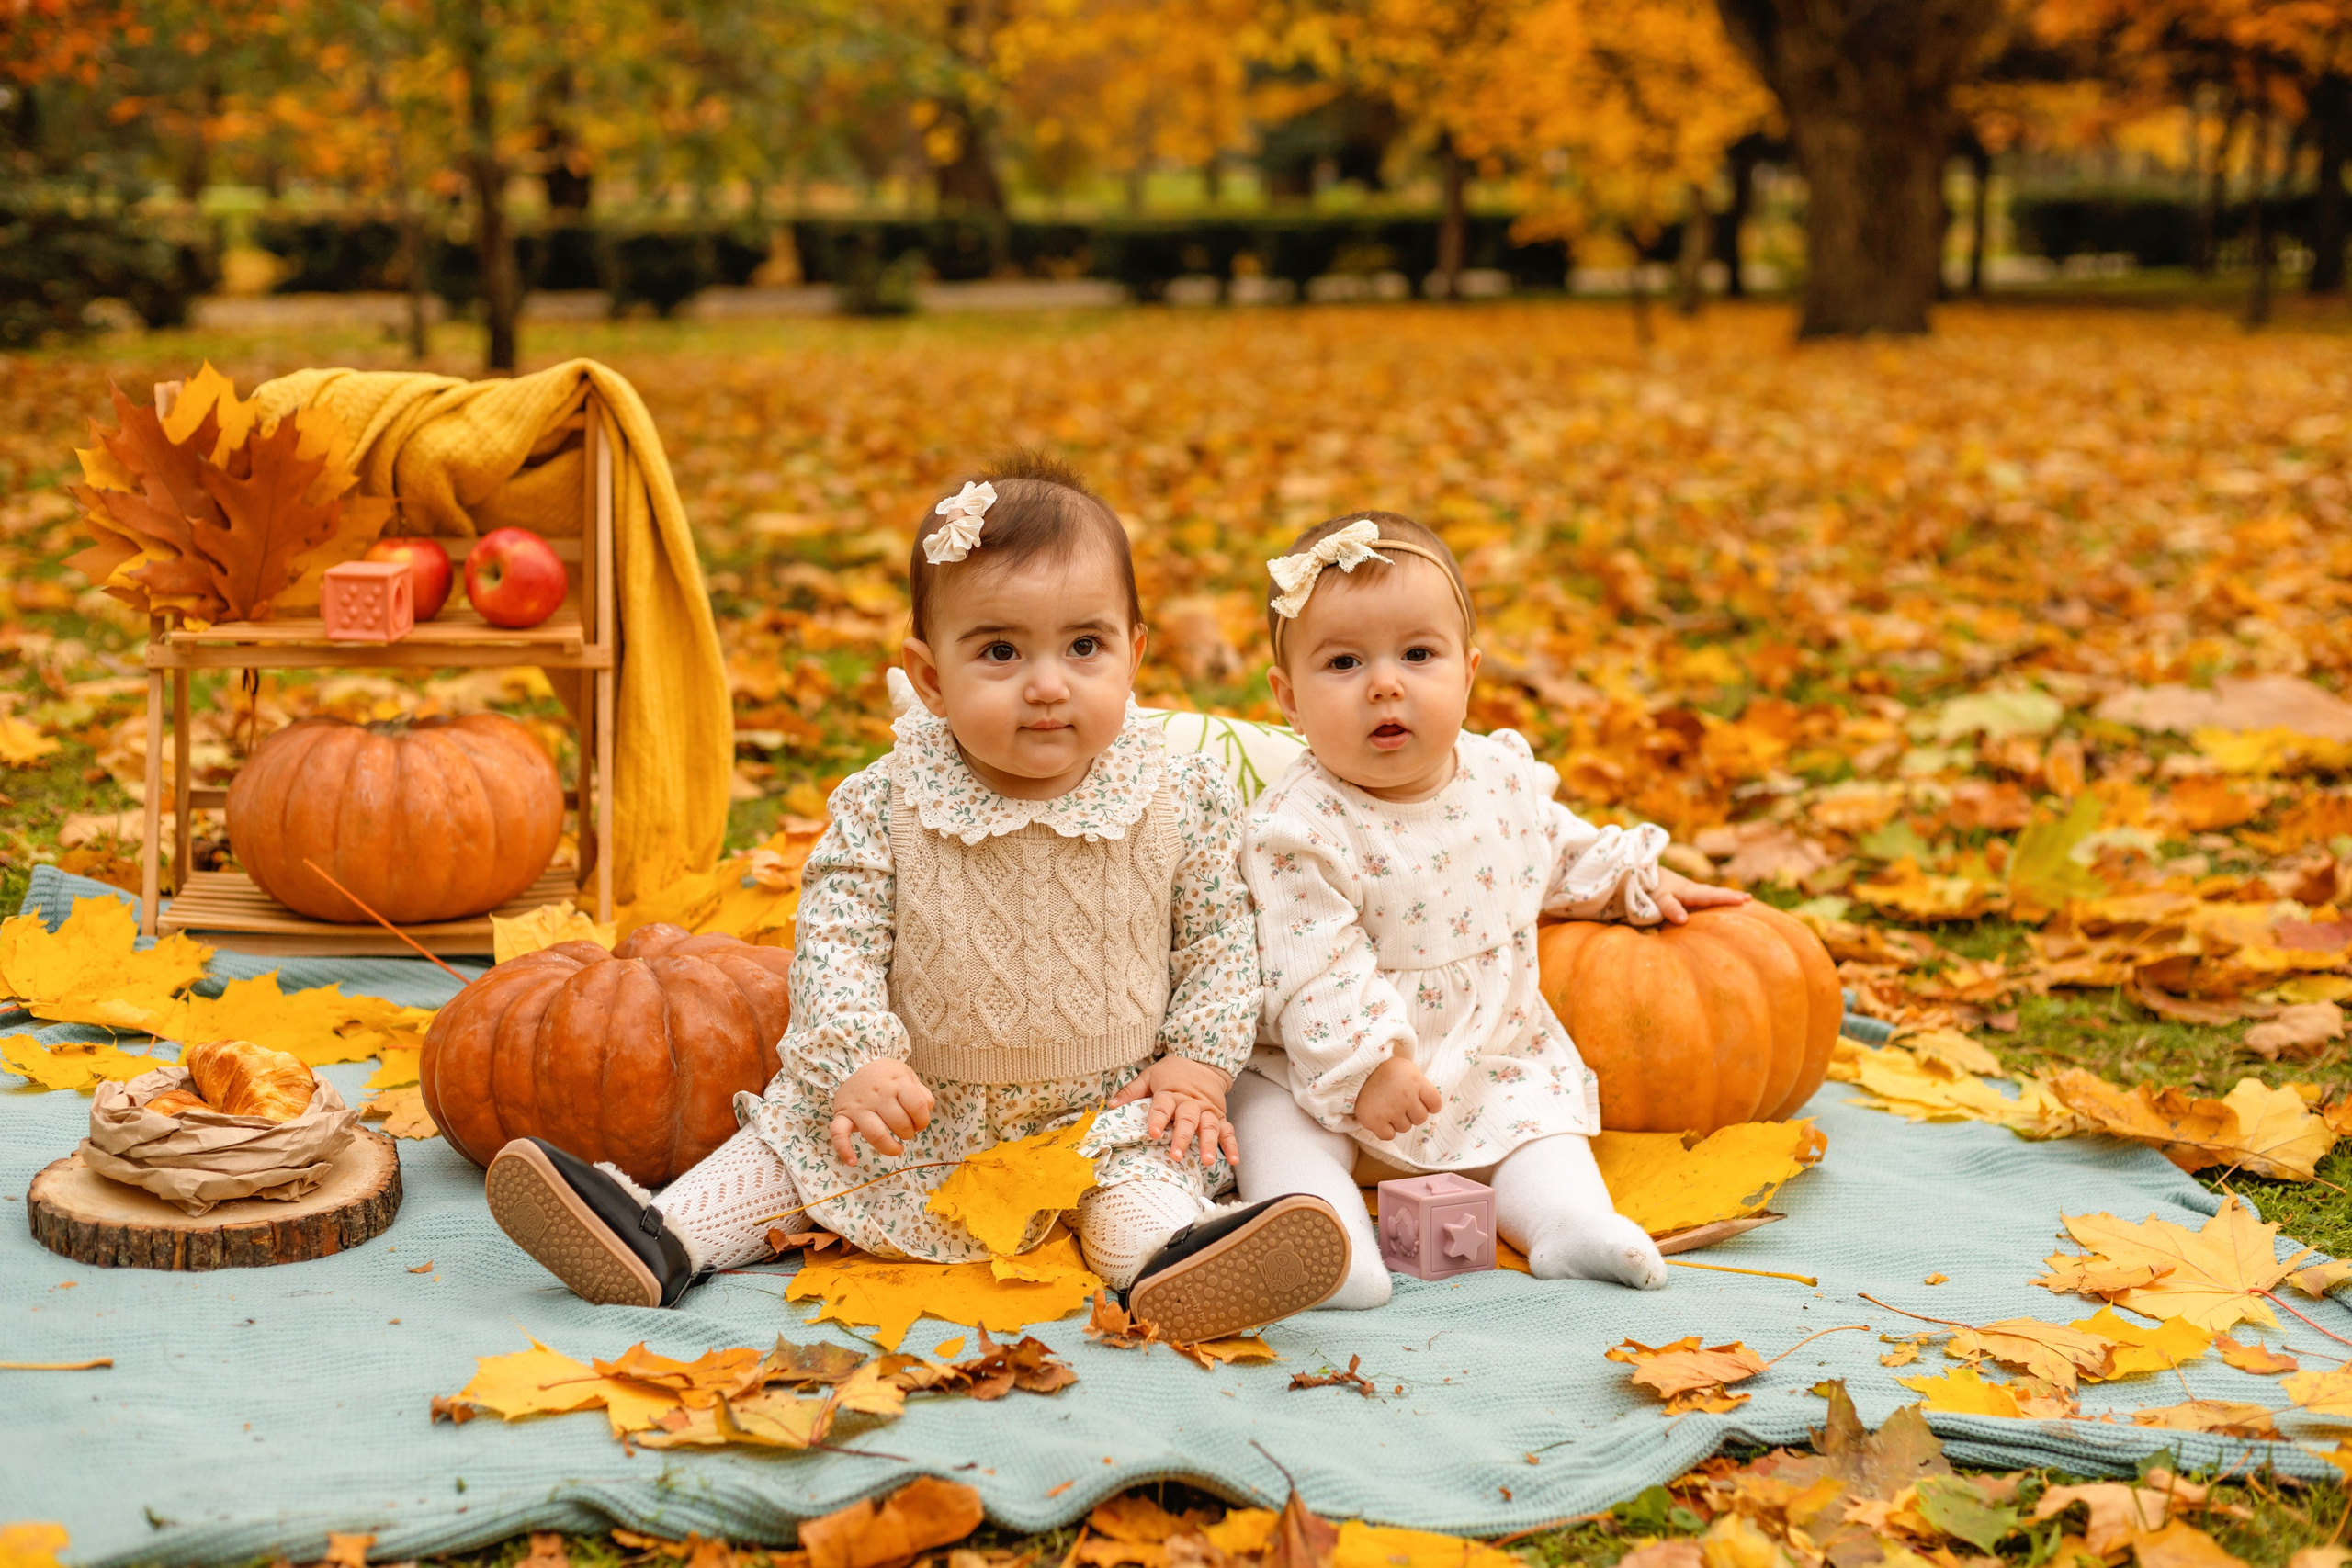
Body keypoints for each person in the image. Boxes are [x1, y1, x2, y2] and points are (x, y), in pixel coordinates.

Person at [484, 455, 1352, 1342]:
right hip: (911, 1108)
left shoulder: (1181, 792)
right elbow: (836, 943)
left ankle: (1179, 1260)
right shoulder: (887, 800)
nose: (1048, 683)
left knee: (1137, 1181)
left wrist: (1199, 1065)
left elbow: (1218, 941)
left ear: (1133, 654)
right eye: (1001, 651)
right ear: (930, 675)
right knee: (793, 1151)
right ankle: (662, 1234)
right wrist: (859, 1060)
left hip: (1101, 1113)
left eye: (1083, 646)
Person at [1229, 513, 1748, 1309]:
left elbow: (1555, 850)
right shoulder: (1298, 827)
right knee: (1276, 1128)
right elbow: (1312, 966)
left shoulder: (1499, 778)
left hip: (1482, 1055)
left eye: (1418, 654)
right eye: (1343, 661)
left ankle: (1569, 1227)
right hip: (1325, 1066)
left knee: (1539, 1121)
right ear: (1288, 699)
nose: (1385, 683)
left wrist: (1632, 885)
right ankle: (1327, 1240)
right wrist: (1368, 1067)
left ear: (1468, 674)